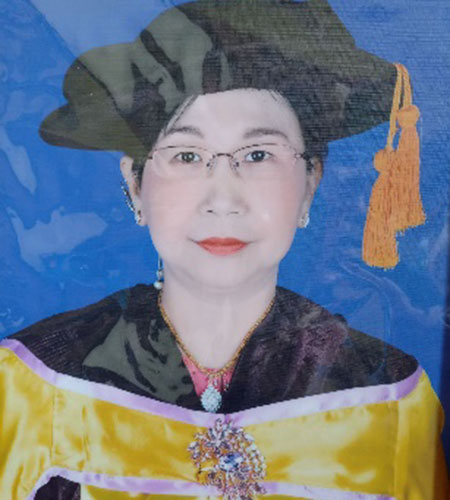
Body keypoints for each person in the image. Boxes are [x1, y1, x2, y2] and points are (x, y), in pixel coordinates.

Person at [0, 0, 448, 498]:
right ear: (135, 184)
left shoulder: (386, 398)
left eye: (258, 154)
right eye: (187, 155)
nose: (223, 199)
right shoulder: (33, 387)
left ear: (310, 184)